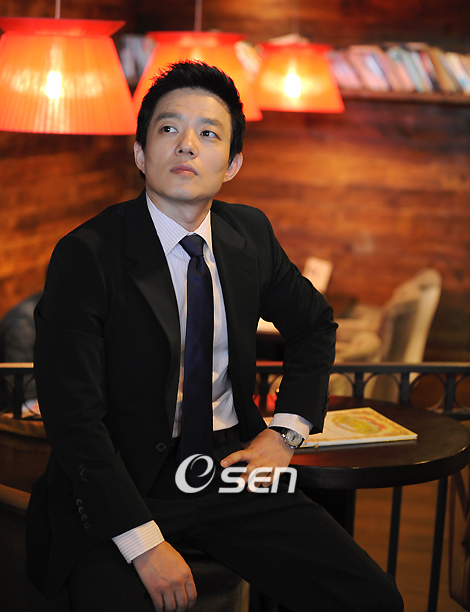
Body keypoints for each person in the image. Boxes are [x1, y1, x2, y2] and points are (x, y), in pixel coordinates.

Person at [27, 60, 403, 612]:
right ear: (140, 153)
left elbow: (313, 323)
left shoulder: (248, 233)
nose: (187, 145)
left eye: (208, 134)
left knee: (371, 599)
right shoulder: (87, 255)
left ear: (232, 164)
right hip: (124, 480)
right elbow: (74, 421)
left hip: (230, 469)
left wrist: (285, 433)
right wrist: (144, 544)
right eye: (168, 128)